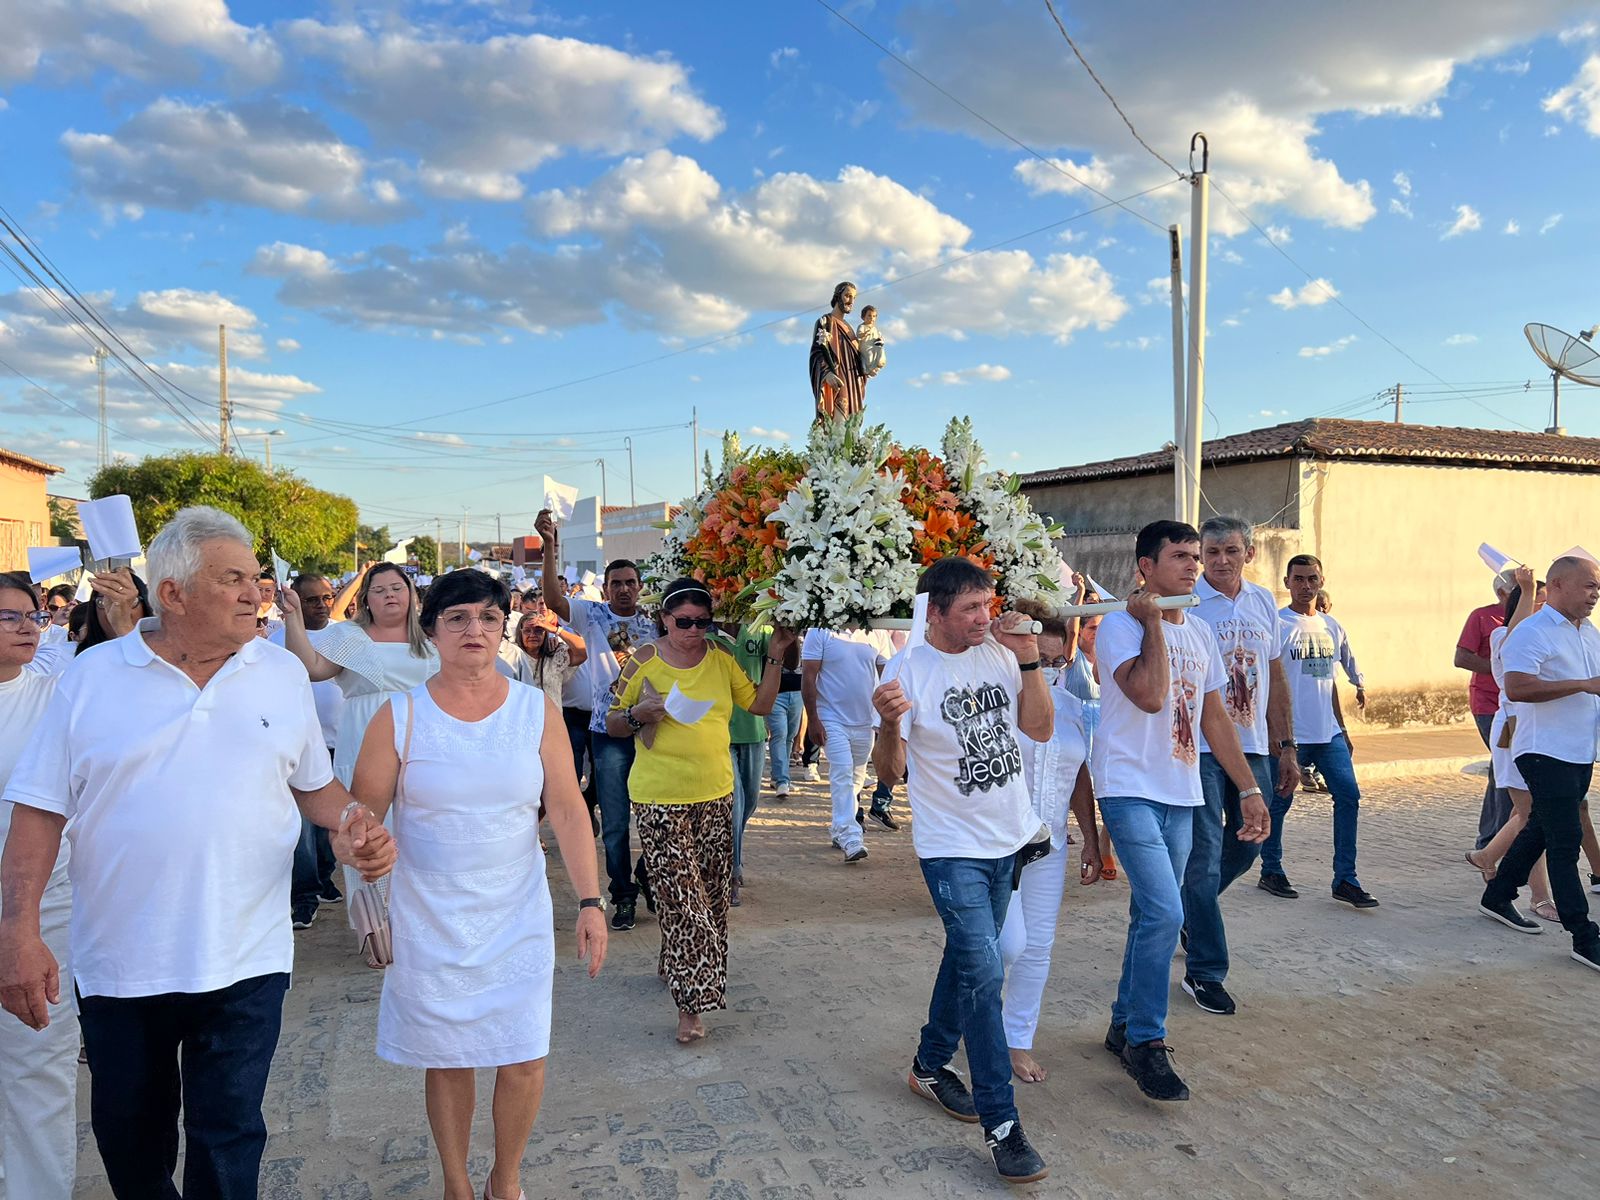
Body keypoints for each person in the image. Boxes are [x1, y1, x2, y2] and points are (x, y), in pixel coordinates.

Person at [0, 506, 394, 1200]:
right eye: (233, 579)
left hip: (248, 954)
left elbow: (314, 785)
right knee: (131, 1137)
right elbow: (38, 811)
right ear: (173, 593)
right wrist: (18, 932)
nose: (256, 593)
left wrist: (354, 822)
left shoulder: (278, 673)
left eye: (257, 578)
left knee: (229, 1136)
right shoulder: (90, 680)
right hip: (122, 961)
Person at [350, 569, 608, 1200]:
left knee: (524, 1053)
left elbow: (570, 811)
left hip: (515, 907)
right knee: (449, 1055)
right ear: (430, 630)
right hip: (428, 913)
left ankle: (506, 1178)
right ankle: (457, 1182)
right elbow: (359, 817)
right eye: (458, 617)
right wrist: (364, 849)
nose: (475, 630)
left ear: (504, 629)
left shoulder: (535, 710)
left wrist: (591, 901)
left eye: (489, 618)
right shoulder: (399, 715)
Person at [870, 557, 1054, 1184]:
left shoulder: (1001, 654)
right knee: (982, 968)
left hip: (1010, 836)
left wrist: (1028, 658)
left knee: (973, 958)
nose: (985, 616)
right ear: (937, 612)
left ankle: (928, 1063)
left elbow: (1040, 726)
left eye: (988, 603)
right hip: (951, 848)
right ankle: (1003, 1126)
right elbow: (889, 772)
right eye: (971, 609)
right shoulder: (908, 670)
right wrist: (889, 722)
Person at [1091, 521, 1268, 1103]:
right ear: (1146, 566)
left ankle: (1122, 1024)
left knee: (1151, 916)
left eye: (1197, 556)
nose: (1193, 565)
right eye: (1180, 556)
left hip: (1183, 792)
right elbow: (1148, 695)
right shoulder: (1120, 625)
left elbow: (1213, 718)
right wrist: (1151, 624)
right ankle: (1148, 1041)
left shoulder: (1199, 632)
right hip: (1128, 788)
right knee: (1167, 912)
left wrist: (1247, 788)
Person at [606, 579, 791, 1044]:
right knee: (689, 907)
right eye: (683, 621)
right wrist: (638, 716)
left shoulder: (722, 659)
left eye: (702, 622)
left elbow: (761, 704)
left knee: (709, 898)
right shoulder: (642, 661)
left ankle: (675, 961)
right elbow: (609, 721)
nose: (693, 630)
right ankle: (692, 1006)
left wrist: (778, 653)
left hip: (715, 795)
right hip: (657, 799)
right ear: (664, 619)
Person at [1180, 517, 1300, 1016]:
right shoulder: (1186, 604)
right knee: (1205, 855)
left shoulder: (1261, 604)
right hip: (1205, 748)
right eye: (1212, 551)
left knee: (1249, 849)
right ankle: (1205, 971)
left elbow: (1274, 673)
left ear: (1248, 552)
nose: (1221, 560)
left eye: (1231, 550)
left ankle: (1191, 911)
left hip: (1252, 746)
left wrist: (1286, 745)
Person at [280, 561, 439, 908]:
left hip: (422, 743)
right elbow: (312, 667)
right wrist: (292, 617)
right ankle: (376, 920)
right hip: (366, 741)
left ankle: (422, 913)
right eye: (379, 591)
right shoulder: (350, 636)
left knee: (420, 829)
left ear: (411, 594)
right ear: (366, 599)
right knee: (370, 827)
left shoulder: (430, 639)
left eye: (396, 588)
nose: (389, 596)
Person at [1478, 556, 1600, 971]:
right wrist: (1583, 685)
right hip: (1541, 751)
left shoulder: (1589, 633)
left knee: (1543, 827)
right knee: (1564, 841)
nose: (1595, 594)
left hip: (1579, 750)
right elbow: (1517, 686)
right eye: (1588, 586)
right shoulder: (1531, 631)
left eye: (1597, 587)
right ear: (1560, 584)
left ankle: (1497, 895)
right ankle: (1584, 935)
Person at [538, 512, 657, 930]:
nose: (624, 589)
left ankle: (649, 876)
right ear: (606, 589)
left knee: (660, 814)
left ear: (640, 588)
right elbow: (553, 599)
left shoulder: (658, 622)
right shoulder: (591, 616)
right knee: (616, 821)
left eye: (630, 583)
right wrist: (550, 547)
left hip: (657, 735)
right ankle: (622, 894)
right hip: (608, 734)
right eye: (616, 584)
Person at [997, 617, 1102, 1085]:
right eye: (1036, 660)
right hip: (997, 844)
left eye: (1056, 660)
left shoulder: (1075, 706)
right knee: (1004, 946)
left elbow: (1080, 775)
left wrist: (1093, 840)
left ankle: (1017, 1041)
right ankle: (965, 1025)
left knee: (1037, 948)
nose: (1048, 670)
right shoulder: (994, 702)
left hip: (1052, 843)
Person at [0, 573, 76, 1200]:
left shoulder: (58, 698)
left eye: (32, 616)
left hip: (44, 908)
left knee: (39, 1060)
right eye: (8, 617)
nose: (27, 626)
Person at [1259, 555, 1378, 908]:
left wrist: (1342, 728)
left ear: (1321, 580)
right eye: (1299, 579)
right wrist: (1276, 734)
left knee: (1349, 797)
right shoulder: (1278, 625)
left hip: (1329, 736)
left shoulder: (1332, 626)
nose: (1306, 585)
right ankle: (1271, 870)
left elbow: (1331, 682)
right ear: (1287, 582)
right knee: (1279, 803)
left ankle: (1345, 879)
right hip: (1291, 736)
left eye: (1312, 578)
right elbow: (1270, 683)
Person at [1466, 568, 1558, 917]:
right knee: (1532, 813)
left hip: (1532, 728)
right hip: (1514, 730)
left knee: (1530, 813)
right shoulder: (1505, 634)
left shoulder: (1547, 635)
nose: (1545, 609)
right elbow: (1519, 636)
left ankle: (1488, 858)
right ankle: (1537, 895)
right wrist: (1526, 587)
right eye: (1539, 602)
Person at [270, 574, 348, 929]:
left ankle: (323, 877)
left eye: (327, 597)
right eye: (312, 599)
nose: (321, 605)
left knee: (328, 828)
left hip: (339, 746)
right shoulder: (274, 640)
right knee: (301, 829)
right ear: (294, 601)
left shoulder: (344, 636)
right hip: (296, 750)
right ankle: (303, 896)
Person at [715, 621, 794, 905]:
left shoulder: (759, 629)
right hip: (719, 734)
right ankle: (732, 872)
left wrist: (788, 635)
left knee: (749, 803)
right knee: (734, 807)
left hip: (753, 730)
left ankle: (725, 852)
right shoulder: (705, 635)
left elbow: (789, 663)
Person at [802, 626, 896, 862]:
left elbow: (889, 675)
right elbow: (809, 676)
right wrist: (813, 719)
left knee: (856, 777)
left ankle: (839, 826)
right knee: (842, 772)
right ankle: (850, 836)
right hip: (830, 717)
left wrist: (885, 719)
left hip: (864, 720)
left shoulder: (878, 632)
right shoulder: (820, 631)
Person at [1458, 573, 1515, 850]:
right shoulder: (1482, 617)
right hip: (1488, 704)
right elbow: (1462, 657)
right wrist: (1499, 667)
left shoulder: (1529, 619)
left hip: (1516, 705)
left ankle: (1493, 838)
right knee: (1505, 770)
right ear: (1503, 593)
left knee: (1501, 770)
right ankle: (1494, 839)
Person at [511, 596, 588, 711]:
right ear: (520, 633)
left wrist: (556, 630)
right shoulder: (512, 655)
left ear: (545, 633)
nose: (533, 635)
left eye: (538, 631)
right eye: (527, 631)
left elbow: (583, 652)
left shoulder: (555, 655)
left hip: (552, 721)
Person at [809, 281, 866, 420]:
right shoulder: (826, 321)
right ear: (837, 296)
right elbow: (817, 352)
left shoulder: (850, 328)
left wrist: (870, 364)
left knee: (852, 428)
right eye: (847, 296)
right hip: (838, 381)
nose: (851, 301)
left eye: (854, 298)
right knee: (839, 428)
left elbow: (858, 358)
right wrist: (827, 373)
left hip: (853, 383)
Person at [765, 649, 805, 801]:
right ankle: (782, 780)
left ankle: (780, 776)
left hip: (796, 690)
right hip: (776, 691)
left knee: (790, 735)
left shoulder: (806, 630)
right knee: (779, 734)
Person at [857, 304, 887, 378]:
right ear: (863, 317)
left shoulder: (874, 328)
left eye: (874, 316)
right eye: (869, 316)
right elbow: (859, 335)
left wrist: (880, 339)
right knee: (870, 356)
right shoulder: (862, 326)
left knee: (880, 353)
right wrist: (865, 333)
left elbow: (877, 337)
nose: (872, 318)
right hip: (865, 346)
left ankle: (875, 368)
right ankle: (867, 370)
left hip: (874, 346)